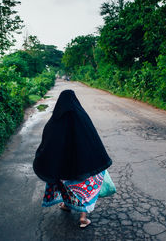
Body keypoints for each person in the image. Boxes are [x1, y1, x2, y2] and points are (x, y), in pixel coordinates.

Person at [33, 89, 112, 228]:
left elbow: (47, 142)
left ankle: (66, 205)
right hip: (82, 164)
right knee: (82, 187)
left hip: (62, 165)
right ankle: (82, 218)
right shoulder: (82, 118)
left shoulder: (54, 122)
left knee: (64, 183)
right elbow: (93, 139)